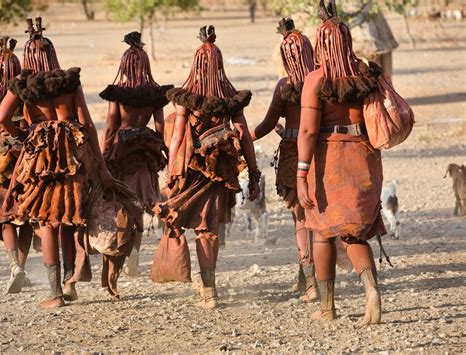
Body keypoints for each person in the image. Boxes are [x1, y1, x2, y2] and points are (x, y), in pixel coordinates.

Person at [0, 17, 114, 308]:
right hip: (71, 154)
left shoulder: (21, 85)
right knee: (69, 216)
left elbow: (0, 119)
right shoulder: (69, 83)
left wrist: (23, 133)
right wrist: (100, 165)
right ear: (53, 54)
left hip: (41, 158)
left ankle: (55, 294)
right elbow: (86, 123)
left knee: (47, 221)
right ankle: (70, 280)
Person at [155, 25, 261, 309]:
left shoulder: (186, 99)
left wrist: (171, 174)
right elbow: (245, 138)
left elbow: (177, 138)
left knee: (199, 227)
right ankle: (209, 290)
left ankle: (209, 291)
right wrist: (253, 174)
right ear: (220, 65)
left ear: (196, 65)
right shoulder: (231, 99)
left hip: (191, 169)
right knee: (208, 229)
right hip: (221, 169)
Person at [297, 0, 386, 324]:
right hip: (364, 156)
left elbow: (307, 129)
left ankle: (327, 307)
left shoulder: (316, 79)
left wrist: (301, 173)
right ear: (347, 41)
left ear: (320, 44)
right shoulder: (365, 73)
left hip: (328, 157)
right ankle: (371, 289)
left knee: (322, 231)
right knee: (355, 233)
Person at [251, 18, 319, 302]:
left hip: (293, 153)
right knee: (318, 215)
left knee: (301, 218)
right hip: (321, 149)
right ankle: (307, 278)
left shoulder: (285, 86)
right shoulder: (323, 82)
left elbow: (267, 124)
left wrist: (243, 139)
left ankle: (313, 283)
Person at [100, 31, 172, 276]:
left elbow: (110, 125)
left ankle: (121, 250)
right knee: (141, 202)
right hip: (144, 148)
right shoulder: (155, 94)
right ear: (145, 65)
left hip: (121, 149)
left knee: (121, 202)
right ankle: (135, 252)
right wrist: (160, 148)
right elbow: (160, 126)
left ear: (124, 65)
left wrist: (103, 152)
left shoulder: (118, 93)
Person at [0, 36, 34, 294]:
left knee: (5, 217)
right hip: (28, 162)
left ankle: (14, 266)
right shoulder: (29, 94)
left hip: (0, 166)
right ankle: (22, 266)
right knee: (27, 217)